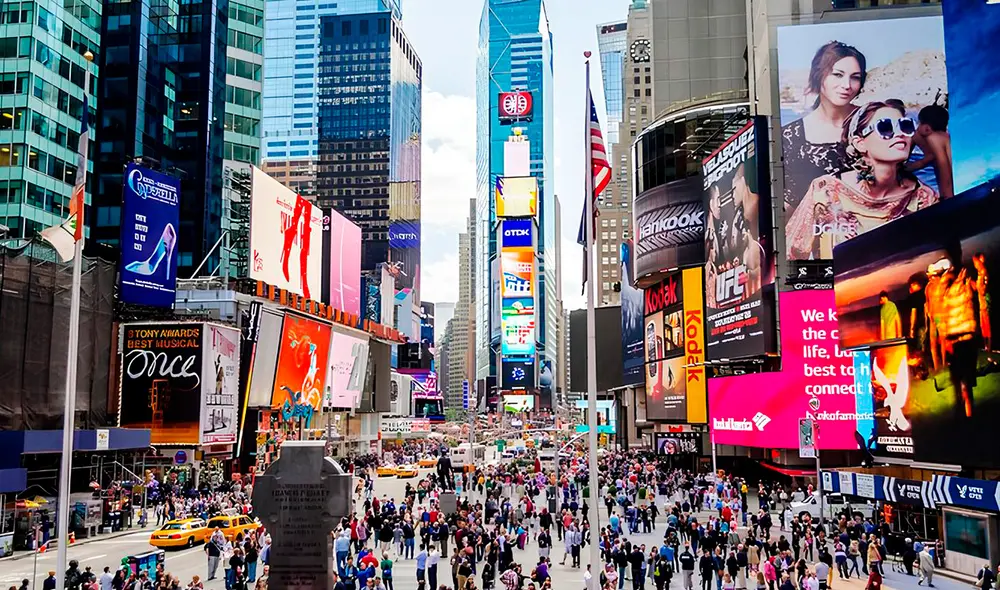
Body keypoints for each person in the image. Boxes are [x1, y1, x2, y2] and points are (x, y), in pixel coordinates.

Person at [785, 99, 939, 260]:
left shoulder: (924, 198)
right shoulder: (826, 190)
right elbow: (792, 257)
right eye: (885, 127)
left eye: (905, 126)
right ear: (860, 143)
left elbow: (936, 256)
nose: (900, 133)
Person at [781, 41, 867, 212]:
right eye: (837, 74)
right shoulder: (791, 136)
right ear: (819, 75)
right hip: (818, 234)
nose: (847, 85)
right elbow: (789, 203)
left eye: (855, 77)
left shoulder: (873, 121)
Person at [906, 104, 953, 199]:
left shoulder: (935, 138)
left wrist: (947, 198)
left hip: (949, 176)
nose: (918, 127)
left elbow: (945, 169)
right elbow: (905, 156)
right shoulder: (919, 136)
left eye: (920, 123)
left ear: (927, 128)